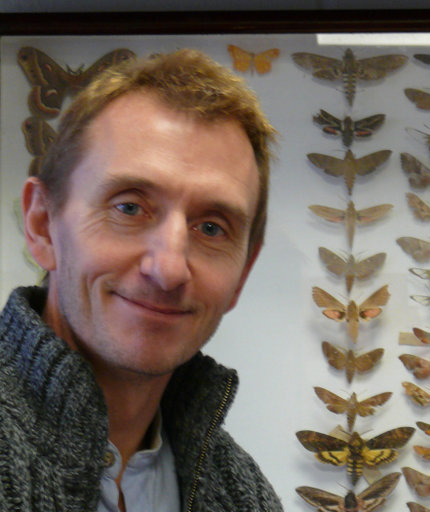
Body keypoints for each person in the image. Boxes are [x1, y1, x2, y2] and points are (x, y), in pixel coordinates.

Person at [0, 49, 282, 511]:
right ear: (42, 225)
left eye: (211, 228)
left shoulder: (245, 496)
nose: (169, 268)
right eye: (128, 207)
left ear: (242, 276)